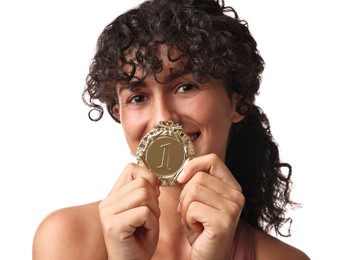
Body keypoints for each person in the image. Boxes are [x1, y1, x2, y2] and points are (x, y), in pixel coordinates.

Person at [32, 0, 310, 259]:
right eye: (138, 97)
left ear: (238, 102)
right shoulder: (67, 239)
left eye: (186, 87)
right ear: (119, 112)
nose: (163, 118)